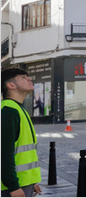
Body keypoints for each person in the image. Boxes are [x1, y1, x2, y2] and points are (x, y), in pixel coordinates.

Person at [1, 68, 42, 197]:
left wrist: (31, 182)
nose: (29, 79)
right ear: (11, 85)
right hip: (11, 188)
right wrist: (13, 186)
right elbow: (3, 153)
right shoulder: (8, 112)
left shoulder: (18, 109)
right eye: (23, 78)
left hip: (23, 184)